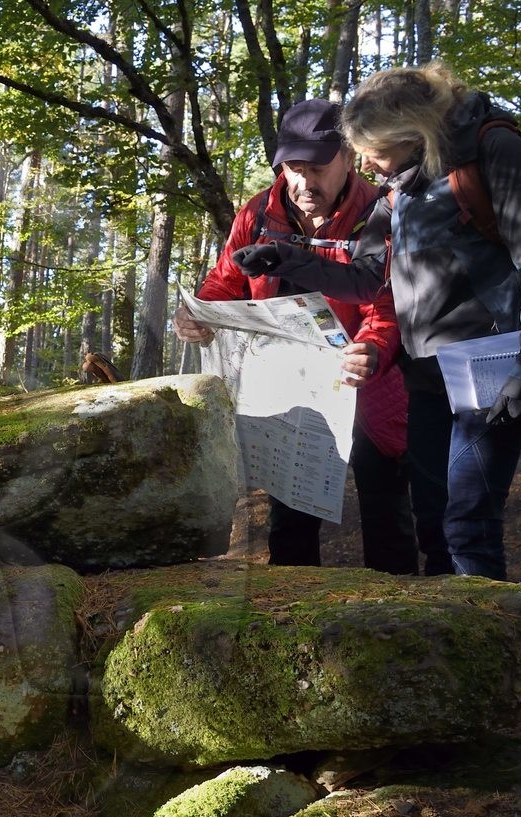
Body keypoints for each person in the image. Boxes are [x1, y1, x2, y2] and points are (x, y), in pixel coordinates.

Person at [233, 64, 521, 581]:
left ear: (414, 133)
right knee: (435, 523)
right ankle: (447, 643)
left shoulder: (494, 151)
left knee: (468, 525)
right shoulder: (399, 188)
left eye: (373, 148)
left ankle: (487, 649)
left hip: (494, 365)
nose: (366, 162)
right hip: (429, 376)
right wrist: (285, 260)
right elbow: (369, 277)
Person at [174, 98, 420, 575]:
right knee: (290, 510)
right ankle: (291, 619)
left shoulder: (381, 213)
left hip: (369, 381)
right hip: (291, 386)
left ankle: (395, 617)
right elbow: (226, 282)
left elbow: (387, 304)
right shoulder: (261, 212)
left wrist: (370, 349)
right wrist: (199, 315)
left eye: (317, 167)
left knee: (386, 505)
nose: (304, 181)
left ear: (348, 157)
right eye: (292, 167)